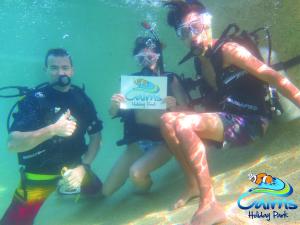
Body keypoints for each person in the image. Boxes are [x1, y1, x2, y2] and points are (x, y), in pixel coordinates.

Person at [161, 1, 300, 225]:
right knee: (167, 120)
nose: (192, 35)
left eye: (196, 26)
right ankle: (193, 185)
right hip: (228, 120)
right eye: (184, 31)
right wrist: (175, 108)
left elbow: (275, 78)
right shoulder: (200, 61)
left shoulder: (229, 50)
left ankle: (209, 203)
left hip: (252, 122)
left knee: (183, 124)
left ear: (207, 23)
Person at [0, 48, 103, 225]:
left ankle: (67, 187)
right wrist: (53, 130)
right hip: (40, 174)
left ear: (72, 70)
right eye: (54, 68)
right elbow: (12, 144)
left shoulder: (81, 98)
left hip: (75, 168)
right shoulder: (34, 100)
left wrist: (84, 167)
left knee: (97, 193)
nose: (60, 73)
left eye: (65, 67)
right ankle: (60, 188)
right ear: (45, 70)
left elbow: (96, 137)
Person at [102, 36, 189, 196]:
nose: (146, 62)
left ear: (158, 57)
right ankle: (142, 181)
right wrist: (114, 104)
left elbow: (188, 111)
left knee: (136, 173)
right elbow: (113, 113)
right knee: (106, 191)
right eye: (141, 58)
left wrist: (174, 106)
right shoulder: (131, 82)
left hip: (164, 142)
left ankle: (144, 197)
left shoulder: (170, 79)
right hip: (138, 143)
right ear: (136, 60)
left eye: (150, 57)